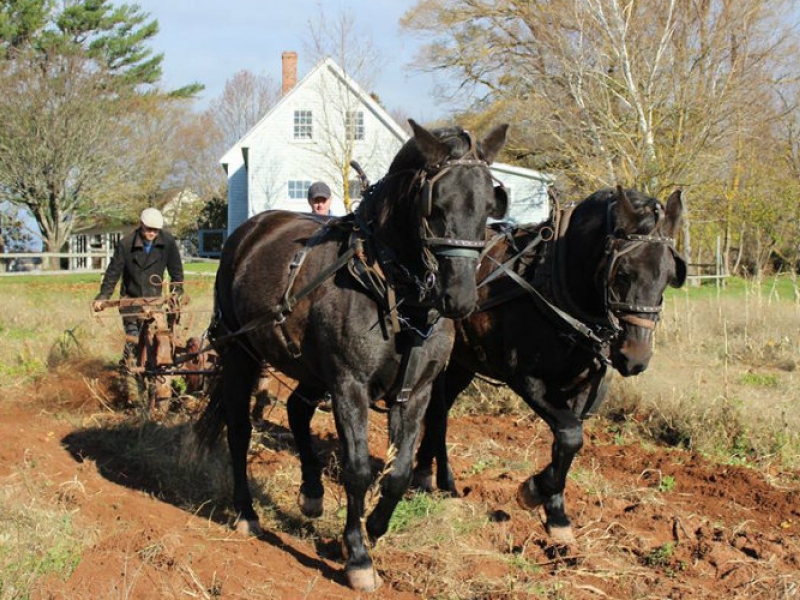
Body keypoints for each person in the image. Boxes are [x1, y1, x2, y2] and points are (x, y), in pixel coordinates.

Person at [93, 207, 184, 364]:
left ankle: (154, 370)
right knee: (134, 339)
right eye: (148, 229)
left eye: (155, 231)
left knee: (157, 339)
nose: (152, 234)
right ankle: (129, 371)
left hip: (155, 301)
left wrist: (177, 293)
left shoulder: (167, 242)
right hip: (131, 300)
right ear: (141, 224)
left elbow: (176, 271)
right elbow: (113, 272)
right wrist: (103, 296)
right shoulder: (126, 244)